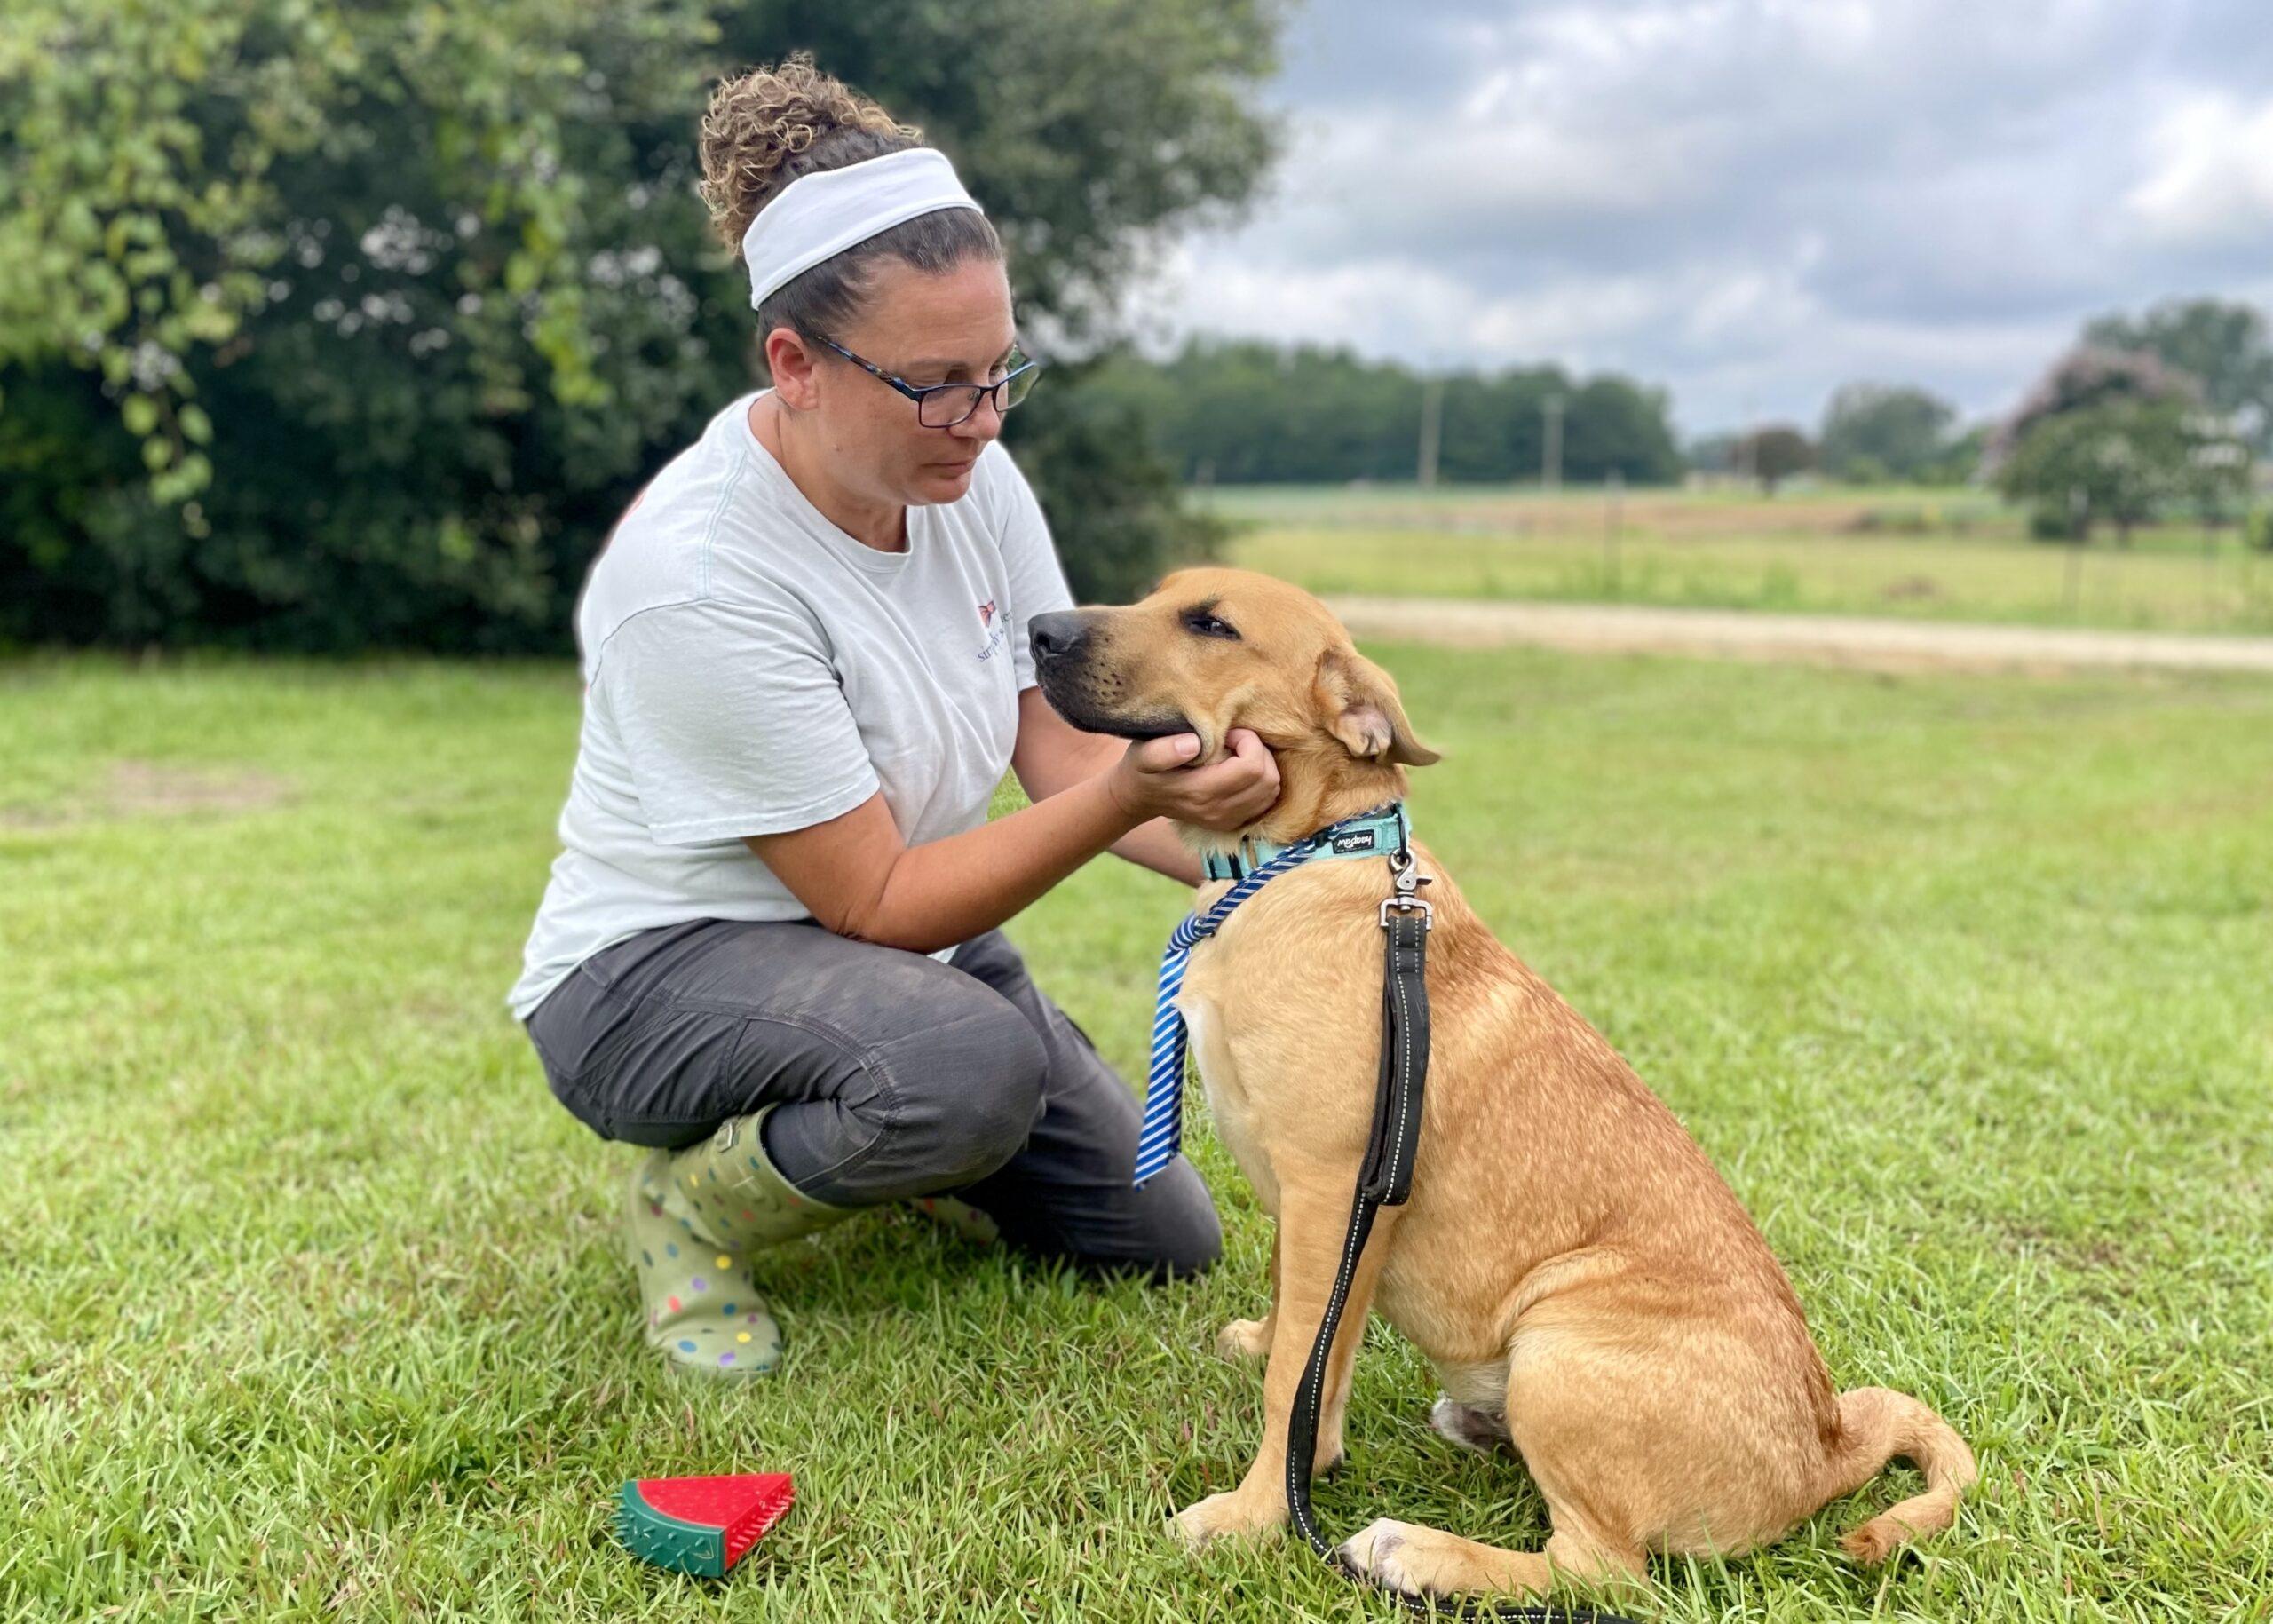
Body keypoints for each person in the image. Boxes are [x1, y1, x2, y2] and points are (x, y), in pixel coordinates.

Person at [506, 54, 1281, 1377]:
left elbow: (1057, 743)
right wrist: (1131, 798)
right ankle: (687, 1208)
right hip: (652, 976)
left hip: (899, 959)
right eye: (937, 382)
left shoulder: (969, 472)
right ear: (796, 362)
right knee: (962, 1064)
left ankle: (894, 1125)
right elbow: (874, 900)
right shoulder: (701, 578)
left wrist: (1259, 855)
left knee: (1164, 1236)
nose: (979, 421)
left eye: (1000, 375)